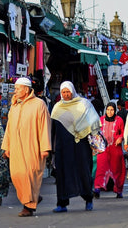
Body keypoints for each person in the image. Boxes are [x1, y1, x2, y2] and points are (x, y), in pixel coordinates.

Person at [2, 77, 51, 217]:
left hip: (33, 147)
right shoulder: (14, 106)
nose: (15, 91)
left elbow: (44, 127)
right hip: (16, 147)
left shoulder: (39, 104)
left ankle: (28, 207)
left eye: (17, 89)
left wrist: (45, 147)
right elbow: (9, 128)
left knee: (29, 175)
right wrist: (7, 147)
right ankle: (33, 197)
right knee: (16, 175)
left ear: (26, 89)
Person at [50, 81, 99, 213]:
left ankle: (88, 199)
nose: (66, 95)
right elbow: (52, 129)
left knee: (83, 171)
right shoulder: (57, 108)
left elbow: (94, 121)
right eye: (63, 92)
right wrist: (51, 149)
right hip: (63, 147)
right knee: (62, 174)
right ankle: (62, 203)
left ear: (72, 91)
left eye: (68, 92)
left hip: (81, 145)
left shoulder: (84, 104)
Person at [94, 103, 126, 199]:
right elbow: (96, 132)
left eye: (112, 110)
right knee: (100, 168)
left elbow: (123, 132)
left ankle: (119, 190)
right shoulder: (101, 120)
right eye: (108, 110)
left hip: (115, 148)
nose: (110, 112)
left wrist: (120, 138)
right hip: (103, 149)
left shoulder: (119, 120)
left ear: (115, 110)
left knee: (117, 170)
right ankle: (97, 189)